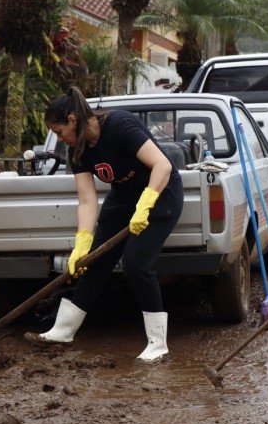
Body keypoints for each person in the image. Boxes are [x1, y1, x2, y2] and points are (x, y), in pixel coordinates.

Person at [24, 87, 183, 364]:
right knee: (93, 261)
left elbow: (162, 165)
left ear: (72, 121)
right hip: (123, 198)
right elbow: (87, 200)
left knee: (136, 264)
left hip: (160, 194)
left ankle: (158, 343)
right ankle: (63, 330)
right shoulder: (77, 151)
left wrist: (145, 204)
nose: (59, 139)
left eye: (59, 132)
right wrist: (83, 242)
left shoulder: (120, 125)